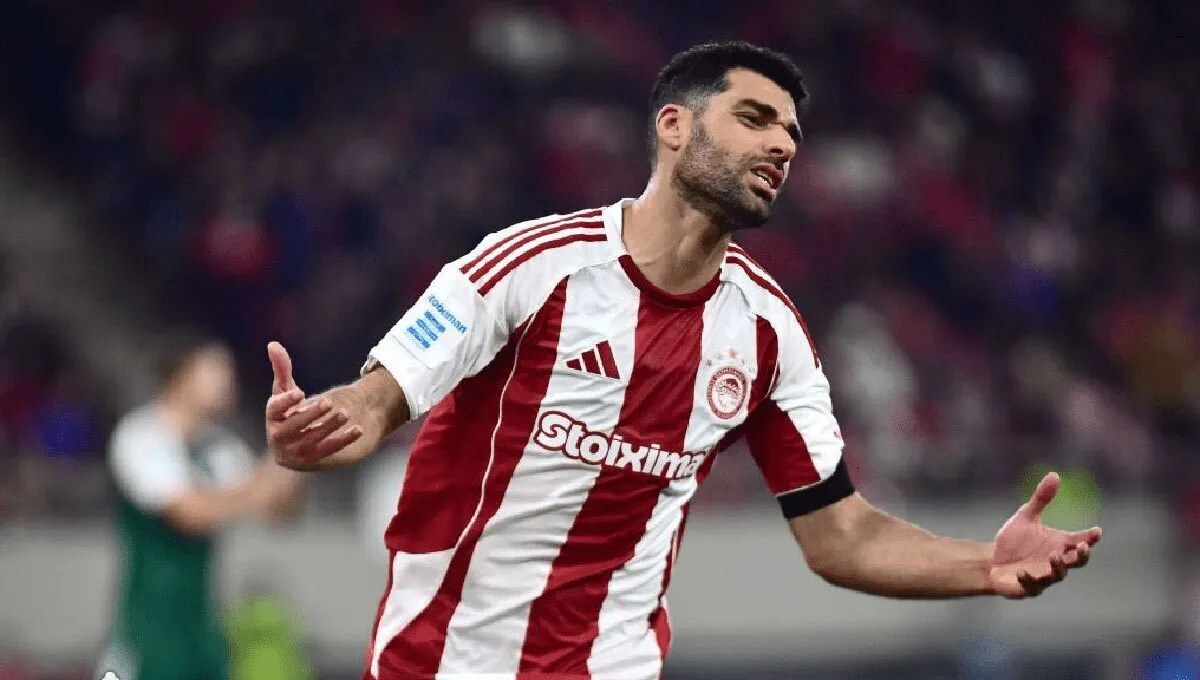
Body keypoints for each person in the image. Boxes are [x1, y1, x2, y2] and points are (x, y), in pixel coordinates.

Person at [264, 41, 1103, 680]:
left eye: (792, 132)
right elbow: (381, 395)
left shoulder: (770, 335)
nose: (783, 145)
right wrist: (329, 423)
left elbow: (840, 536)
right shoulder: (529, 265)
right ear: (674, 127)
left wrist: (983, 567)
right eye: (755, 118)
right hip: (443, 664)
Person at [100, 331, 304, 680]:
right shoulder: (141, 437)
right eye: (214, 370)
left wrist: (296, 451)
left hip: (202, 625)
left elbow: (276, 511)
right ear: (180, 376)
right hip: (147, 630)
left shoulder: (219, 447)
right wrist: (261, 481)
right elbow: (188, 514)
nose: (227, 381)